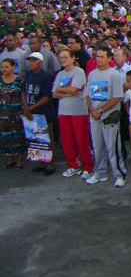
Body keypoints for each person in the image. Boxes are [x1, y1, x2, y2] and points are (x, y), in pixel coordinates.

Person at [85, 44, 127, 186]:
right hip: (95, 116)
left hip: (109, 116)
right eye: (97, 56)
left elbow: (117, 97)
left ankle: (119, 175)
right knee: (97, 146)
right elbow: (88, 95)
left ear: (109, 58)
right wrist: (92, 110)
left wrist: (101, 110)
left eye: (102, 57)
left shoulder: (114, 75)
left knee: (112, 147)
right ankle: (100, 173)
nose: (99, 59)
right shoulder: (92, 74)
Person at [53, 49, 94, 180]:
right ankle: (73, 166)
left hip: (78, 112)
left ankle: (88, 167)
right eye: (61, 58)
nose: (63, 60)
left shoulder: (79, 72)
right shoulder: (60, 74)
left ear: (72, 58)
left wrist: (61, 89)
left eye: (66, 57)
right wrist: (67, 91)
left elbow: (74, 89)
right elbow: (54, 94)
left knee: (82, 140)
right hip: (63, 112)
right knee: (67, 141)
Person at [23, 51, 57, 175]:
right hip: (31, 112)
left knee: (47, 140)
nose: (31, 63)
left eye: (34, 60)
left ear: (40, 63)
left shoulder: (46, 76)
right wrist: (26, 107)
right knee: (35, 139)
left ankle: (50, 165)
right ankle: (40, 162)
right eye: (30, 60)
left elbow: (47, 97)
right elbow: (24, 91)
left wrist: (32, 108)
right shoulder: (29, 74)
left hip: (43, 112)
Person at [0, 58, 26, 170]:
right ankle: (10, 159)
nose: (4, 69)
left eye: (6, 67)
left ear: (13, 68)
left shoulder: (18, 81)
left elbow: (23, 95)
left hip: (16, 114)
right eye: (3, 67)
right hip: (3, 114)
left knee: (18, 137)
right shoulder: (0, 80)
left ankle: (20, 160)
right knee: (5, 137)